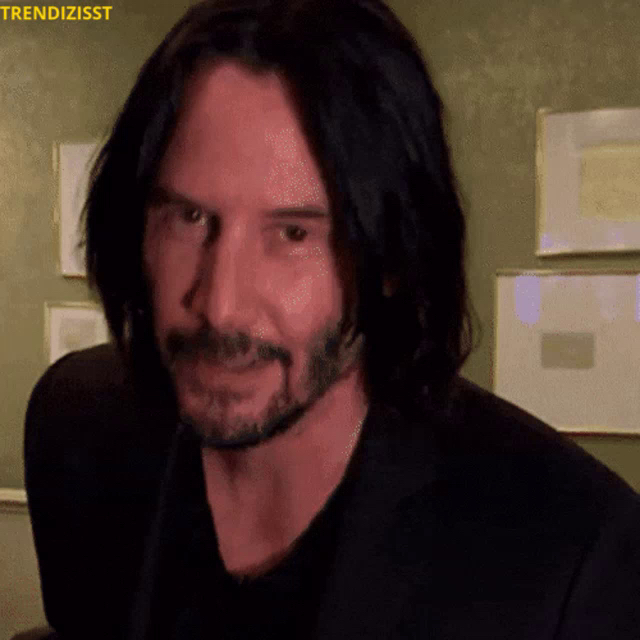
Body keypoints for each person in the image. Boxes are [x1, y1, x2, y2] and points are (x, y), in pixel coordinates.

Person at [26, 0, 640, 638]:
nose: (220, 305)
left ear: (394, 256)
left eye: (292, 234)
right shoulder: (79, 429)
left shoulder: (571, 556)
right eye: (189, 218)